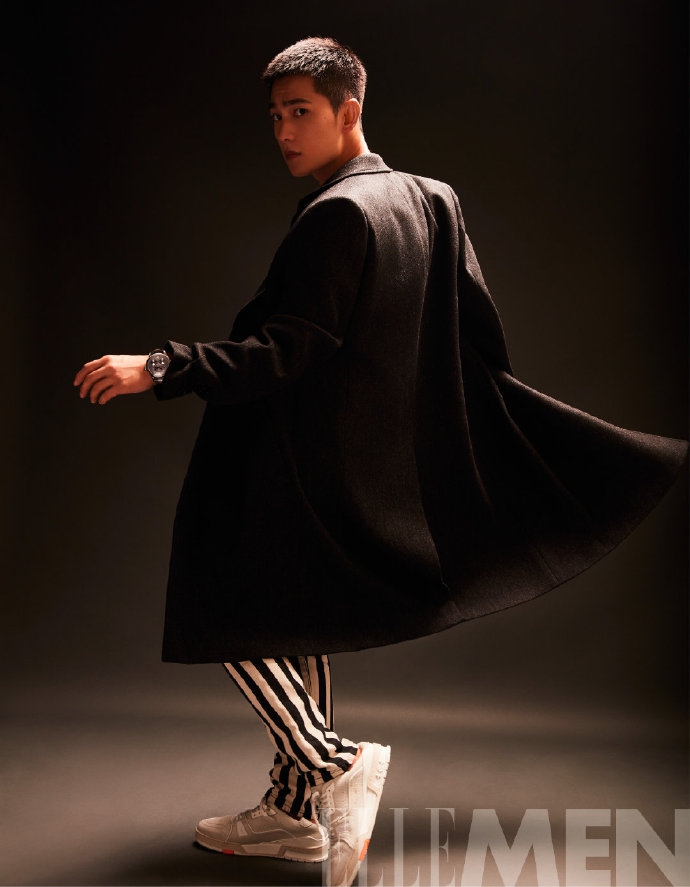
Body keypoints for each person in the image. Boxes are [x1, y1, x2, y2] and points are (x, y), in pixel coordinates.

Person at [74, 37, 687, 887]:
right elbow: (474, 338)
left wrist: (161, 365)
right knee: (292, 618)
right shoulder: (432, 198)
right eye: (276, 116)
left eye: (301, 112)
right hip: (370, 462)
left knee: (228, 609)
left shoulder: (338, 214)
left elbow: (289, 349)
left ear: (349, 111)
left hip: (300, 460)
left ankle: (331, 761)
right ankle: (296, 813)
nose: (284, 132)